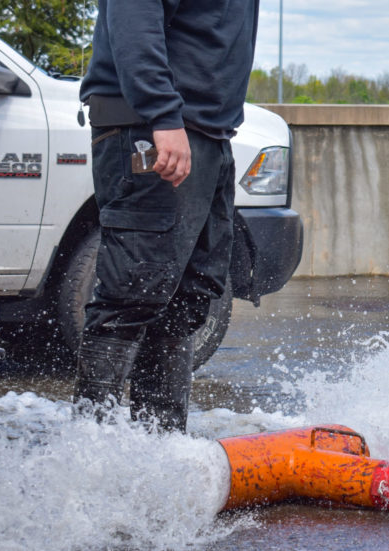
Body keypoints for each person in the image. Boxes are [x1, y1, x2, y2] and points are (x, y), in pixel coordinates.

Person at [74, 0, 260, 432]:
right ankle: (86, 451)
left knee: (188, 297)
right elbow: (134, 18)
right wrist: (162, 114)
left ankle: (159, 443)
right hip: (153, 126)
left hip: (207, 133)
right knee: (133, 289)